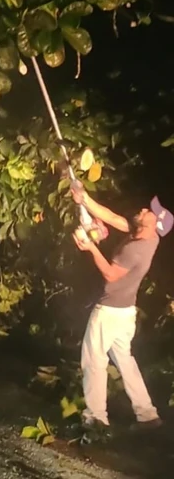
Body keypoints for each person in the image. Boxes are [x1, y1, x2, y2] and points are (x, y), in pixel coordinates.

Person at [70, 184, 170, 430]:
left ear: (151, 224)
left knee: (93, 359)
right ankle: (147, 415)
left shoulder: (134, 250)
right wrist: (85, 198)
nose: (145, 209)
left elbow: (111, 275)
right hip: (126, 312)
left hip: (110, 311)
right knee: (125, 360)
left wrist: (90, 247)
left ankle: (96, 418)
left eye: (150, 212)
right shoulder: (150, 236)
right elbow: (113, 218)